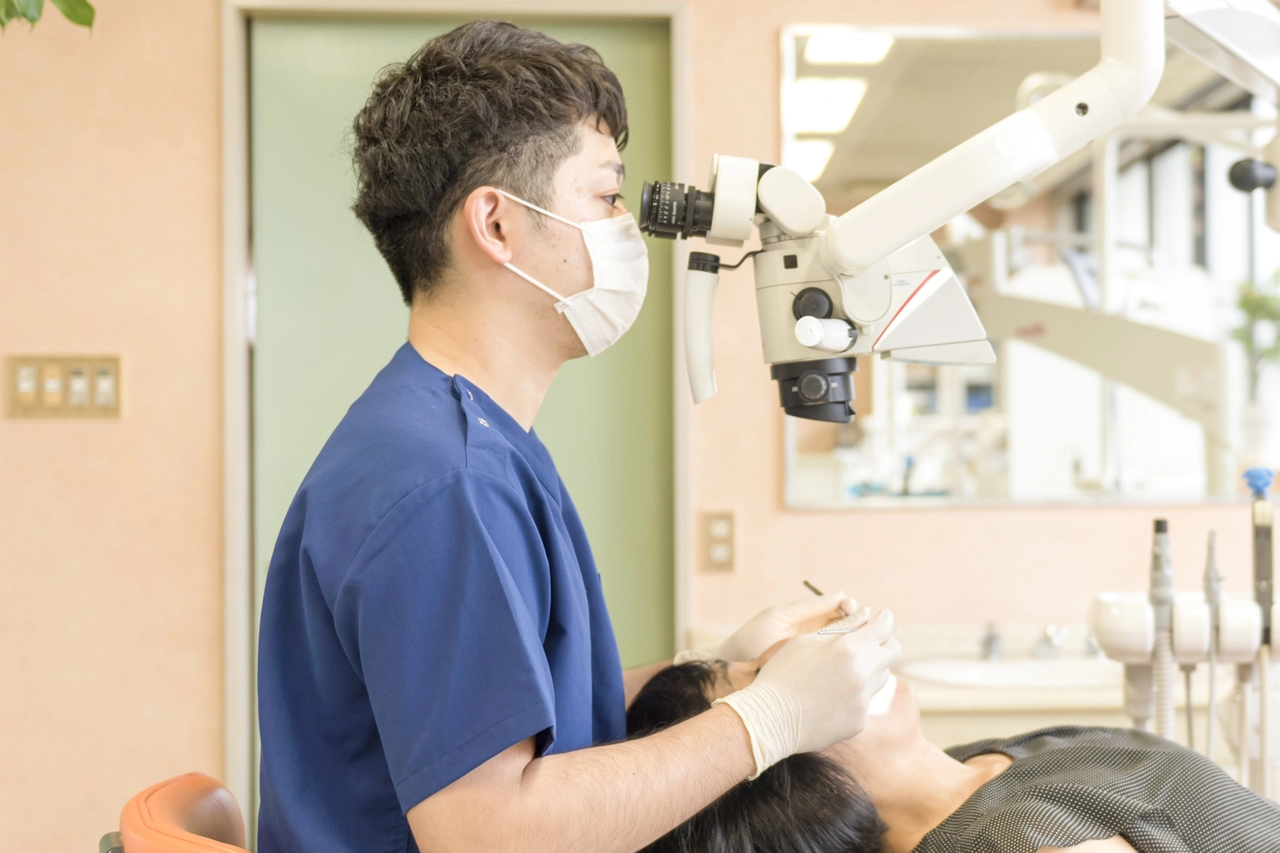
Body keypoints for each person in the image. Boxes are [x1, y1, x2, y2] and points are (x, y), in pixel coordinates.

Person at [255, 20, 901, 853]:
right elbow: (492, 830)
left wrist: (715, 670)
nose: (628, 227)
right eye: (604, 196)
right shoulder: (446, 482)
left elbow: (505, 727)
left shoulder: (460, 439)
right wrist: (766, 721)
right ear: (496, 225)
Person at [627, 659, 1280, 853]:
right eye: (773, 677)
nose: (822, 654)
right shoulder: (1010, 843)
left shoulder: (972, 768)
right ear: (782, 786)